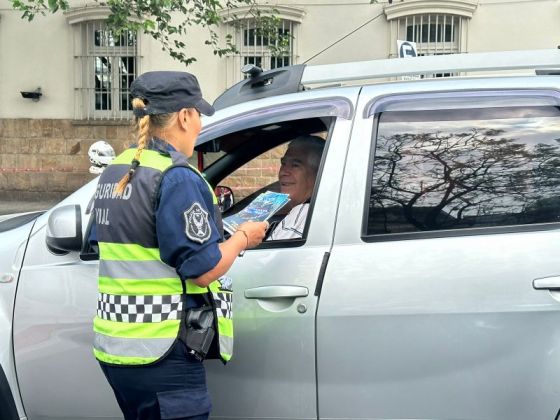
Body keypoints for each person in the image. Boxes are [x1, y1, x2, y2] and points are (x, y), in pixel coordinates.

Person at [90, 71, 268, 420]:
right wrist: (243, 237)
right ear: (185, 116)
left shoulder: (117, 170)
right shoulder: (176, 177)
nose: (200, 124)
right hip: (162, 350)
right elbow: (204, 270)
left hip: (117, 349)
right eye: (198, 114)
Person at [268, 135, 325, 240]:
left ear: (318, 172)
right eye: (283, 163)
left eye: (295, 165)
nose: (284, 172)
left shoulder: (299, 219)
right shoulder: (319, 210)